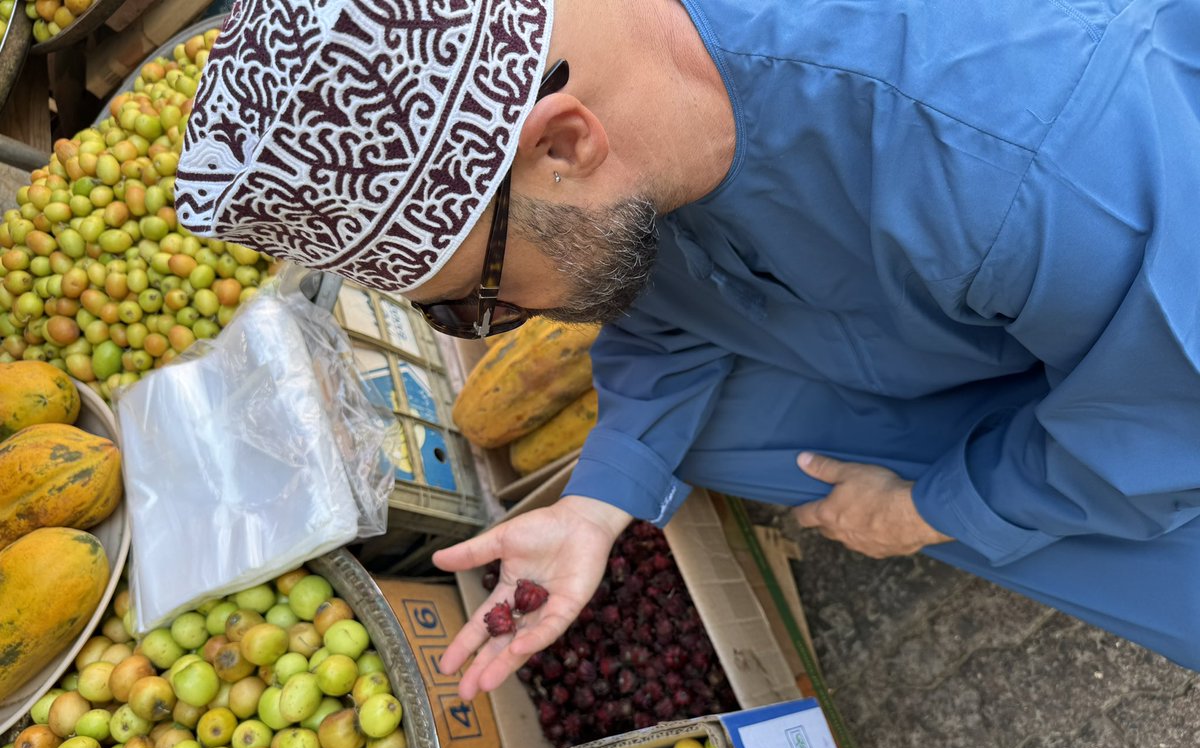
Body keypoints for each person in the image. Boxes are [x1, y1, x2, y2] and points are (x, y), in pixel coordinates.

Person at [177, 0, 1200, 698]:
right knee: (715, 442)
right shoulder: (638, 103)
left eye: (477, 301)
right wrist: (598, 502)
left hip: (1166, 351)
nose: (500, 330)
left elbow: (1168, 409)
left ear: (565, 143)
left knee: (1141, 514)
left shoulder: (1024, 151)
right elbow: (674, 299)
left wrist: (932, 510)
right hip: (994, 297)